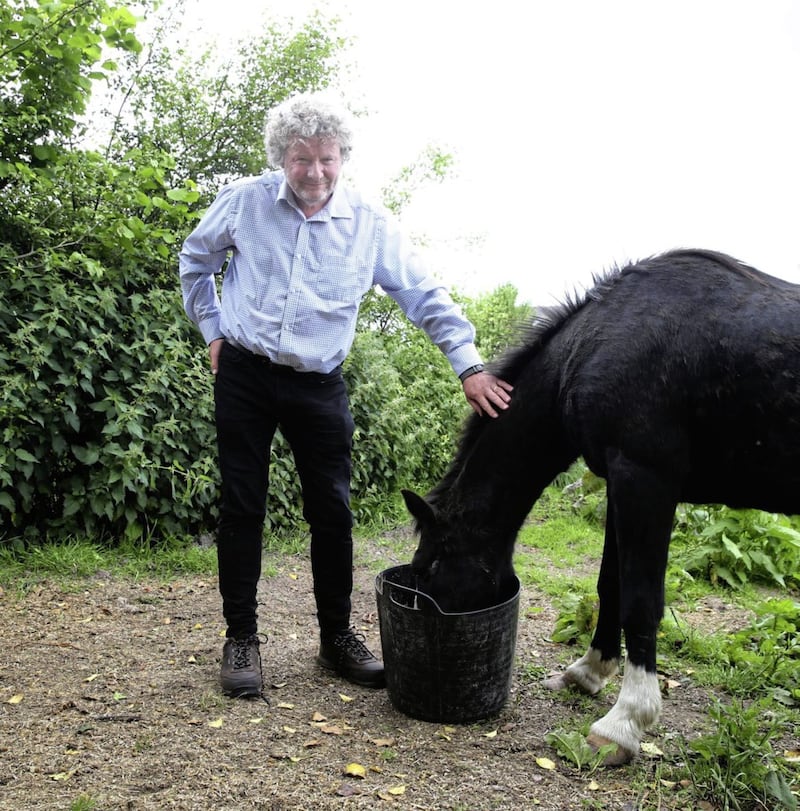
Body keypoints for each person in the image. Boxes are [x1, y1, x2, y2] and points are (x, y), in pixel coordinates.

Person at [179, 91, 513, 699]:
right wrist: (212, 329)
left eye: (326, 159)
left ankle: (336, 638)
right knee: (242, 506)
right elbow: (196, 261)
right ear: (282, 158)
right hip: (247, 374)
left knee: (331, 512)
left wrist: (468, 366)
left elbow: (423, 295)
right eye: (301, 160)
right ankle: (241, 638)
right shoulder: (245, 203)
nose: (314, 173)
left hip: (319, 384)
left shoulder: (371, 226)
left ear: (343, 158)